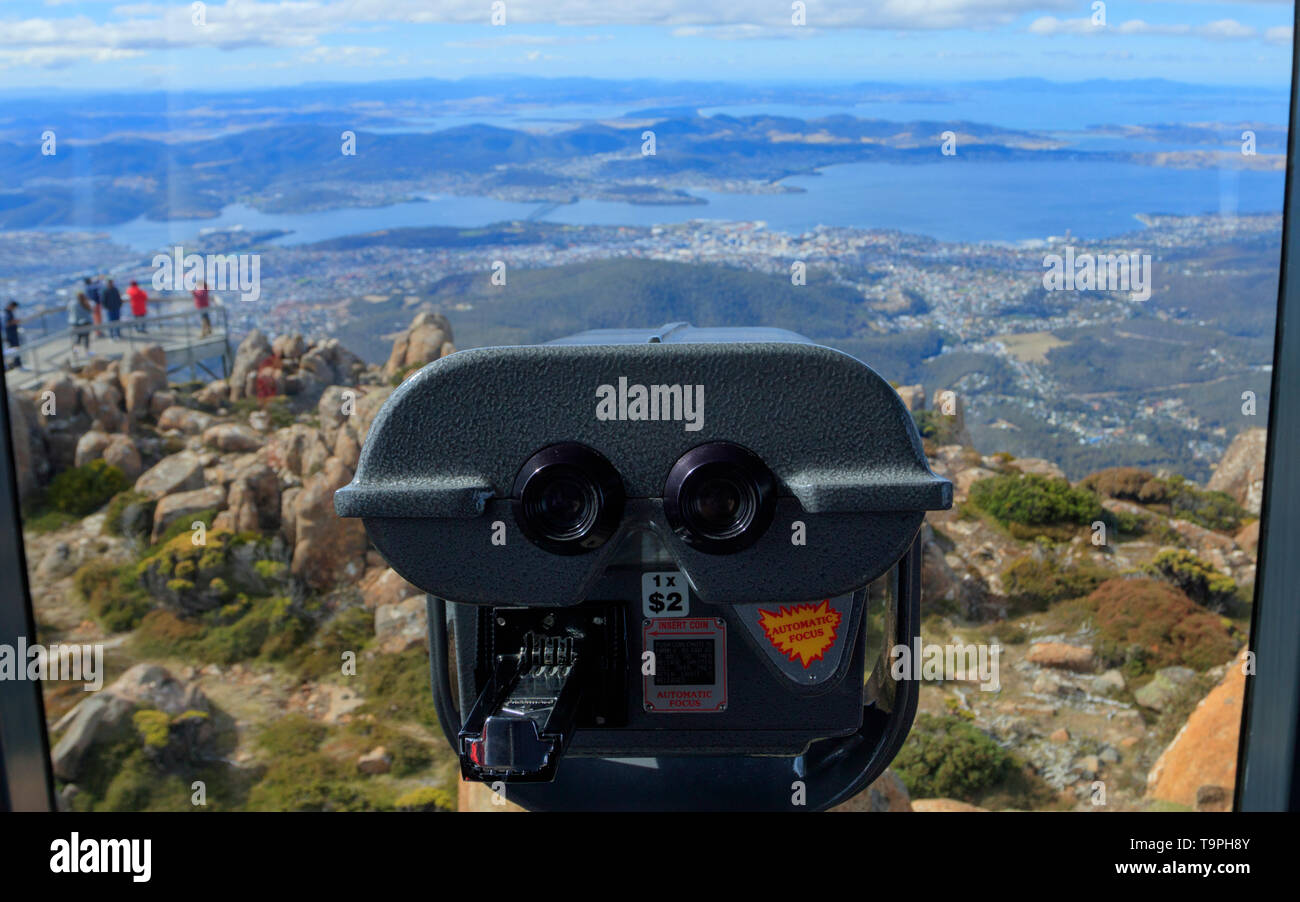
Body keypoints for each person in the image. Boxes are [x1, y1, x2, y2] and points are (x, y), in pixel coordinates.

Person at [68, 291, 92, 356]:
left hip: (75, 324)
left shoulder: (72, 304)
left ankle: (75, 353)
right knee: (86, 339)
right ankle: (87, 352)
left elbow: (69, 311)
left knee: (76, 340)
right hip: (85, 323)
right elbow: (90, 311)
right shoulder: (85, 303)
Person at [101, 275, 123, 339]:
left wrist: (119, 305)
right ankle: (111, 335)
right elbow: (103, 300)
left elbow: (119, 298)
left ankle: (118, 334)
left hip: (116, 308)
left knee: (117, 321)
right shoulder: (105, 291)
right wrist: (107, 307)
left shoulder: (115, 289)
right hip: (110, 309)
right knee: (110, 322)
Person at [4, 300, 20, 370]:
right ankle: (16, 364)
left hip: (11, 333)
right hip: (10, 334)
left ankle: (16, 364)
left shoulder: (8, 312)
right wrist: (14, 322)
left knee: (14, 349)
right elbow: (6, 324)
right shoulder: (6, 313)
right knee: (14, 349)